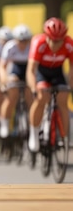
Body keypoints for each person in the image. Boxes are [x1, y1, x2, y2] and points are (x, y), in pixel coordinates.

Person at [26, 17, 73, 152]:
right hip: (42, 72)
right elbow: (31, 70)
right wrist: (34, 88)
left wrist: (71, 86)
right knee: (42, 97)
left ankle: (64, 138)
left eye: (59, 41)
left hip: (57, 72)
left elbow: (71, 69)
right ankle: (34, 133)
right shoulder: (38, 42)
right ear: (46, 36)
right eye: (52, 40)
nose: (55, 44)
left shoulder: (69, 44)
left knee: (63, 100)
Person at [0, 24, 33, 139]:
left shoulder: (32, 47)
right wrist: (4, 80)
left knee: (30, 96)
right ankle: (5, 123)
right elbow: (2, 66)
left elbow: (35, 68)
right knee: (11, 95)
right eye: (20, 41)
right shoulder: (10, 46)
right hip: (15, 70)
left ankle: (33, 124)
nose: (22, 43)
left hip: (28, 69)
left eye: (25, 41)